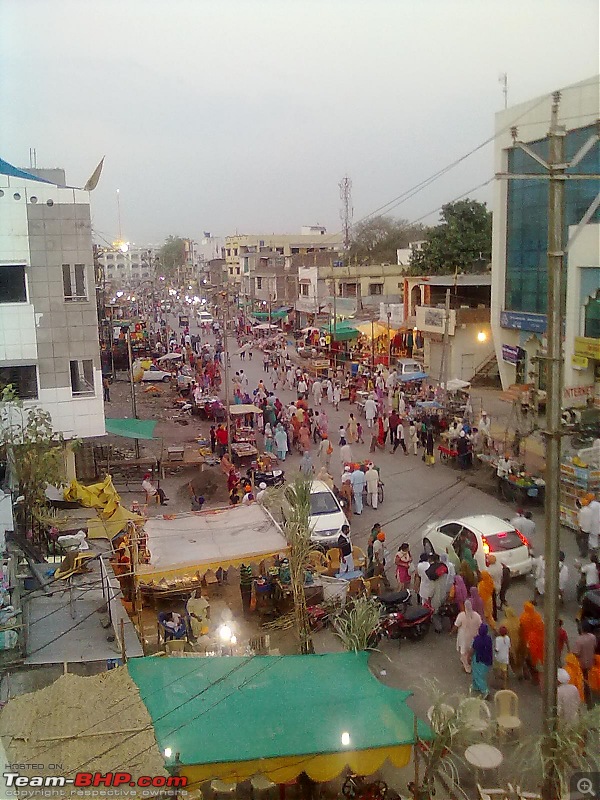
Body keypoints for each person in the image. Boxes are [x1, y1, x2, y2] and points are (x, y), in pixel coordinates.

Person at [451, 598, 482, 673]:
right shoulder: (476, 615)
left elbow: (456, 625)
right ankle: (471, 662)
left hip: (464, 637)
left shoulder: (461, 615)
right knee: (472, 650)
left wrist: (451, 632)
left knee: (464, 652)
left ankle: (467, 668)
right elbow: (481, 625)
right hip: (474, 636)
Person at [572, 621, 597, 708]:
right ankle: (589, 697)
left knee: (583, 680)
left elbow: (575, 653)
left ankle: (586, 698)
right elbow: (595, 646)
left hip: (582, 664)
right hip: (590, 662)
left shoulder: (579, 640)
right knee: (588, 678)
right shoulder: (593, 637)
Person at [470, 623, 494, 697]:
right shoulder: (488, 638)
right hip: (487, 659)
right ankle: (476, 686)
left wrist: (468, 657)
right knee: (481, 674)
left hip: (479, 659)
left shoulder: (477, 640)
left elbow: (472, 650)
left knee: (478, 675)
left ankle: (485, 690)